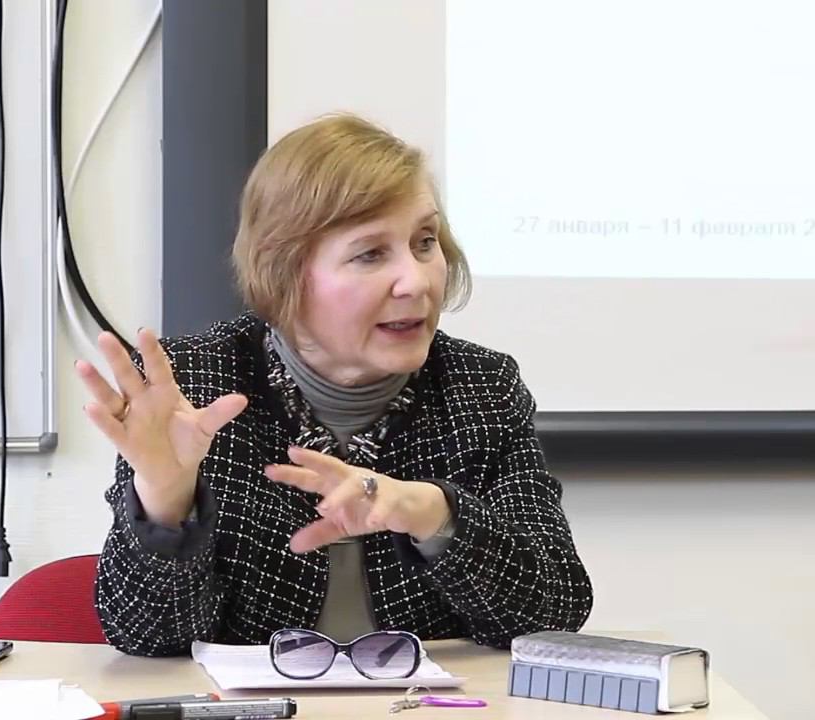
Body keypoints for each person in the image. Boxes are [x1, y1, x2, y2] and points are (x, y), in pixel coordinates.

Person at [78, 114, 592, 657]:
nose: (417, 280)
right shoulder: (193, 387)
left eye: (425, 242)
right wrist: (165, 499)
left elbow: (553, 612)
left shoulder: (480, 388)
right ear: (284, 272)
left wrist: (432, 512)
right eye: (370, 254)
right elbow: (150, 639)